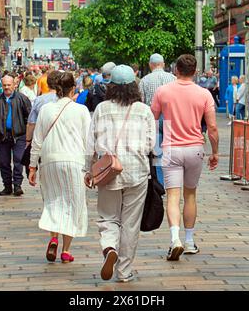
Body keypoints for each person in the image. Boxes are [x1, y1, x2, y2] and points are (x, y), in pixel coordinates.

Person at [84, 65, 156, 283]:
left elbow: (91, 143)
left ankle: (109, 247)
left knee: (108, 216)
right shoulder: (144, 110)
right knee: (130, 222)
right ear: (134, 86)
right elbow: (152, 143)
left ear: (111, 86)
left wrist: (88, 169)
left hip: (108, 171)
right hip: (137, 171)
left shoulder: (102, 109)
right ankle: (124, 272)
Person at [151, 54, 219, 260]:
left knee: (172, 196)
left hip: (171, 148)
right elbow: (213, 128)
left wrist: (152, 146)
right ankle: (189, 241)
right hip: (194, 148)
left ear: (176, 70)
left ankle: (175, 240)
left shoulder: (163, 91)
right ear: (195, 71)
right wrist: (215, 152)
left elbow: (151, 120)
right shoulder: (204, 94)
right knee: (190, 195)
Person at [29, 72, 91, 263]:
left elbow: (37, 140)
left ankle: (53, 238)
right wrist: (90, 168)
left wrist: (32, 166)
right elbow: (89, 141)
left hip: (49, 160)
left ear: (56, 89)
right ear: (73, 89)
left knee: (53, 201)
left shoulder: (46, 109)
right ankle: (66, 250)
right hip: (74, 160)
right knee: (74, 204)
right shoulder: (81, 111)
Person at [0, 74, 32, 196]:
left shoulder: (22, 99)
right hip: (1, 136)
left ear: (14, 85)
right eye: (4, 85)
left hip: (19, 135)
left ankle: (17, 185)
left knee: (18, 160)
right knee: (3, 162)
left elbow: (29, 117)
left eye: (9, 85)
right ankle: (7, 186)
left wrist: (28, 135)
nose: (6, 87)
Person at [139, 53, 176, 187]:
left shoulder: (144, 80)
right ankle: (171, 181)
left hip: (152, 119)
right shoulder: (173, 78)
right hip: (170, 118)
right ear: (163, 64)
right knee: (170, 151)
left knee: (157, 154)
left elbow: (141, 102)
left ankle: (160, 184)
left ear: (150, 65)